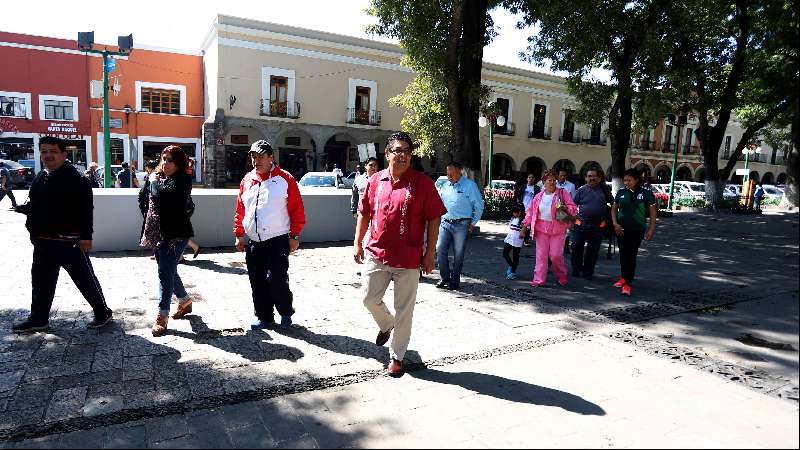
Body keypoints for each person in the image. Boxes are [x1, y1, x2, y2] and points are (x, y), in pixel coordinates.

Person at [354, 132, 446, 376]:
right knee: (368, 298)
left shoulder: (423, 183)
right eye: (398, 150)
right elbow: (364, 212)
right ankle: (387, 323)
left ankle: (397, 356)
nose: (403, 155)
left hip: (409, 257)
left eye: (407, 150)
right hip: (377, 252)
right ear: (387, 154)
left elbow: (434, 217)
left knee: (405, 309)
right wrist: (357, 242)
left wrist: (429, 254)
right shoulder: (375, 181)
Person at [11, 136, 113, 333]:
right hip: (42, 241)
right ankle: (39, 318)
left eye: (53, 151)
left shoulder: (77, 179)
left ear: (64, 154)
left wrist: (86, 236)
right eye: (44, 151)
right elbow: (37, 203)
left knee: (84, 279)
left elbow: (85, 210)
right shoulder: (42, 176)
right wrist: (27, 212)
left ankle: (102, 312)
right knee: (40, 281)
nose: (48, 155)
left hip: (70, 242)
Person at [234, 140, 306, 330]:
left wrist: (295, 236)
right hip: (254, 241)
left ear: (271, 157)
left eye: (260, 156)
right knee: (256, 281)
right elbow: (241, 209)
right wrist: (239, 234)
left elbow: (297, 209)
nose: (256, 160)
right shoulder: (247, 180)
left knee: (277, 279)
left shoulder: (285, 179)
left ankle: (285, 312)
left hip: (278, 239)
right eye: (253, 156)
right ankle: (264, 317)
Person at [139, 146, 195, 336]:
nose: (165, 163)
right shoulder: (156, 177)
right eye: (163, 159)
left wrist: (154, 181)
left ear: (179, 163)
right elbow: (143, 198)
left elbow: (164, 196)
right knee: (168, 270)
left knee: (164, 272)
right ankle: (185, 300)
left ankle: (162, 316)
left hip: (177, 235)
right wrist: (149, 220)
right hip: (156, 232)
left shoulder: (183, 180)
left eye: (170, 160)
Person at [520, 169, 577, 287]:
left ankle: (561, 275)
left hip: (558, 229)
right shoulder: (538, 196)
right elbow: (530, 213)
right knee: (541, 256)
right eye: (549, 180)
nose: (552, 182)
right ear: (544, 182)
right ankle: (538, 279)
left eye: (554, 180)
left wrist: (565, 208)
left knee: (555, 255)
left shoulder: (562, 193)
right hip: (541, 229)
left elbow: (573, 208)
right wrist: (524, 227)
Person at [436, 161, 484, 290]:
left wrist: (472, 223)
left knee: (458, 254)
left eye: (452, 173)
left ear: (460, 172)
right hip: (445, 222)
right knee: (440, 249)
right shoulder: (445, 185)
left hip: (462, 224)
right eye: (447, 173)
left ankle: (454, 281)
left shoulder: (470, 185)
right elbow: (440, 203)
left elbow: (479, 206)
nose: (449, 176)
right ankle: (445, 277)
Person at [611, 168, 657, 297]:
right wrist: (615, 224)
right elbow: (614, 209)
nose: (626, 182)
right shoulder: (621, 192)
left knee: (631, 255)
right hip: (621, 229)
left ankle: (627, 284)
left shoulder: (647, 193)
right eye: (625, 180)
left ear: (636, 180)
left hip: (637, 230)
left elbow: (653, 214)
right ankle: (623, 278)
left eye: (629, 180)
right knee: (623, 255)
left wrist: (651, 229)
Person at [571, 169, 614, 280]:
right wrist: (574, 219)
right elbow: (572, 206)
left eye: (594, 176)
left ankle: (588, 272)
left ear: (599, 178)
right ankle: (576, 269)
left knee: (593, 251)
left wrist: (608, 219)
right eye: (589, 176)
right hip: (580, 225)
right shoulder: (581, 190)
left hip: (598, 226)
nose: (592, 178)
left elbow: (614, 204)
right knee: (576, 247)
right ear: (586, 178)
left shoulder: (604, 190)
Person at [514, 174, 540, 246]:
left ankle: (526, 240)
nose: (530, 179)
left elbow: (538, 198)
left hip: (531, 209)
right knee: (520, 223)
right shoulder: (523, 187)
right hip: (522, 208)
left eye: (532, 177)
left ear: (534, 179)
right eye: (529, 177)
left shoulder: (537, 188)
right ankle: (518, 237)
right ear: (527, 179)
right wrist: (519, 204)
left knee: (528, 225)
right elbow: (518, 195)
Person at [502, 204, 525, 280]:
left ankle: (513, 272)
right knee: (505, 252)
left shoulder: (524, 221)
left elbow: (526, 230)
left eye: (516, 212)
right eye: (513, 212)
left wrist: (523, 232)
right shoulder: (513, 218)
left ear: (520, 212)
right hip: (510, 238)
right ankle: (511, 266)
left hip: (517, 240)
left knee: (515, 256)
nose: (514, 214)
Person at [557, 169, 577, 253]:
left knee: (567, 229)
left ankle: (565, 245)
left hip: (566, 210)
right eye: (561, 175)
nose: (563, 177)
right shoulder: (554, 184)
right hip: (555, 209)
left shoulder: (571, 186)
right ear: (558, 176)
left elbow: (574, 199)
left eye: (564, 175)